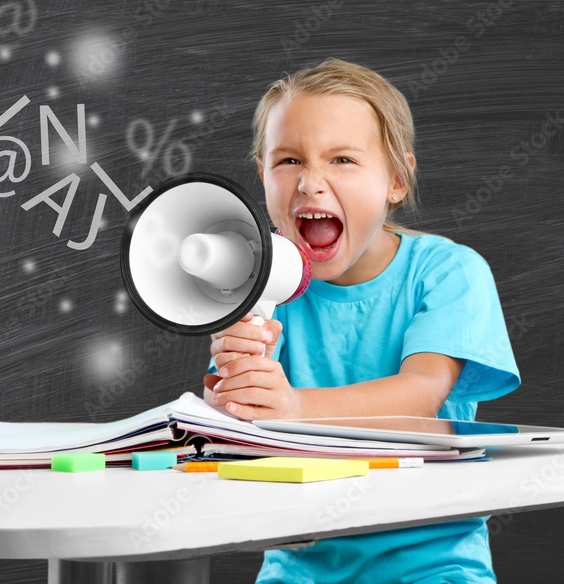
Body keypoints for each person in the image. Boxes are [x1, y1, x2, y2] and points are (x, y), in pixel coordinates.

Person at [202, 58, 521, 583]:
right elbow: (249, 431)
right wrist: (233, 393)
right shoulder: (260, 284)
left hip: (432, 566)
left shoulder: (447, 273)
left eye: (343, 159)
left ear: (396, 180)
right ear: (262, 175)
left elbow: (421, 395)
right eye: (287, 161)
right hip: (298, 568)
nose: (310, 183)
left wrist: (295, 406)